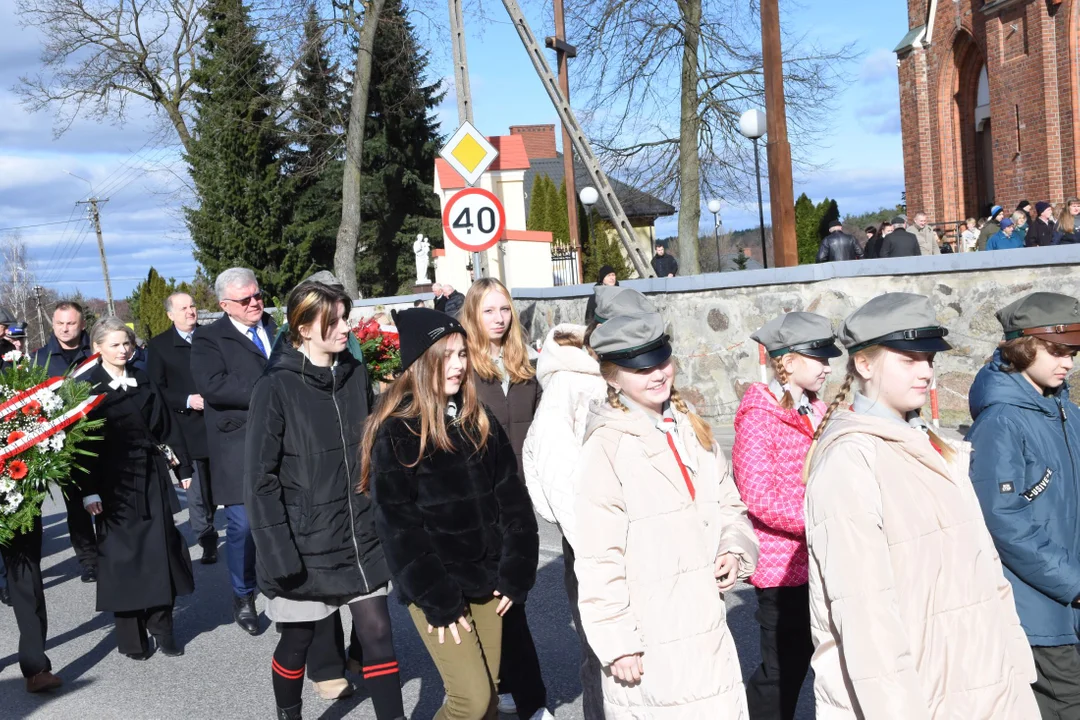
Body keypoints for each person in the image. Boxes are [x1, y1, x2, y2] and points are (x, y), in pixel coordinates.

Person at [803, 292, 1039, 718]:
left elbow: (985, 568)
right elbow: (864, 613)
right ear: (865, 364)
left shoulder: (932, 443)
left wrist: (1015, 663)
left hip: (982, 679)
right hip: (923, 694)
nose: (926, 372)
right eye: (908, 360)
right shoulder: (850, 462)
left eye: (929, 359)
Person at [576, 303, 758, 717]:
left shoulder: (688, 423)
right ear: (611, 376)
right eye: (640, 368)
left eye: (662, 360)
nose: (657, 373)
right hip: (650, 636)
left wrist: (733, 546)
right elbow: (597, 556)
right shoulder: (607, 446)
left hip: (707, 627)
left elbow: (728, 500)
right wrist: (617, 641)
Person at [362, 307, 539, 720]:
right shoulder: (398, 430)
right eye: (447, 355)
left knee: (491, 696)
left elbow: (512, 500)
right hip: (437, 590)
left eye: (462, 353)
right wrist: (439, 599)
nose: (459, 365)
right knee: (471, 701)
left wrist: (515, 572)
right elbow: (398, 529)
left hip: (490, 580)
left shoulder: (479, 417)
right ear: (422, 362)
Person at [246, 282, 404, 720]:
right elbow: (259, 480)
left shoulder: (355, 374)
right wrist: (278, 554)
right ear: (303, 327)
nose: (345, 327)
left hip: (359, 534)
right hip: (303, 541)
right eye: (333, 320)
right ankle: (288, 715)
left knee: (377, 631)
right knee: (298, 641)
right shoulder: (274, 388)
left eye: (345, 316)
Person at [522, 284, 641, 720]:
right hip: (599, 547)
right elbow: (558, 479)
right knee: (608, 661)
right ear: (600, 329)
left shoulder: (630, 372)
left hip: (643, 540)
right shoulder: (567, 387)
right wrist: (599, 546)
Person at [965, 292, 1080, 720]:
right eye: (1056, 351)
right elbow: (1003, 519)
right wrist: (1073, 583)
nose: (1067, 361)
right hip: (1039, 609)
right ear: (1022, 346)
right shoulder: (1000, 422)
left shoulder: (1065, 411)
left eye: (1072, 352)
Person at [733, 312, 842, 720]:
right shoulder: (759, 417)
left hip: (820, 556)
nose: (828, 366)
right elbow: (759, 497)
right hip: (784, 568)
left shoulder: (817, 408)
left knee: (821, 659)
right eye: (819, 357)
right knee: (784, 669)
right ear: (789, 362)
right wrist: (820, 519)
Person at [459, 278, 551, 720]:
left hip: (520, 498)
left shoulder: (524, 364)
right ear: (473, 316)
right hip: (479, 499)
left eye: (504, 310)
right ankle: (524, 696)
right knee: (500, 598)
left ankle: (512, 688)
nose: (499, 319)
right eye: (489, 311)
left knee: (513, 597)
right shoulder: (463, 369)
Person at [82, 317, 195, 660]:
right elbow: (80, 447)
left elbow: (166, 426)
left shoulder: (143, 379)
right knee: (122, 560)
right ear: (98, 348)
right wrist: (88, 490)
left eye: (127, 343)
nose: (123, 350)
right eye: (115, 344)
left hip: (149, 478)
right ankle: (131, 635)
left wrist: (183, 468)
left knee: (161, 551)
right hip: (111, 486)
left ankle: (163, 625)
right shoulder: (86, 388)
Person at [191, 267, 277, 636]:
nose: (256, 303)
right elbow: (214, 386)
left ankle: (285, 589)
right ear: (225, 305)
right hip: (238, 444)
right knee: (243, 524)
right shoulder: (209, 339)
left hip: (284, 438)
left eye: (258, 295)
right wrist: (272, 387)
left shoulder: (275, 327)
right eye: (246, 300)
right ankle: (243, 594)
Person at [148, 292, 218, 565]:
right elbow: (157, 389)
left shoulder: (211, 337)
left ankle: (210, 523)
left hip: (218, 425)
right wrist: (187, 400)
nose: (191, 311)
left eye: (192, 306)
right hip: (186, 429)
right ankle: (207, 537)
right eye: (183, 308)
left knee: (214, 488)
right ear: (170, 315)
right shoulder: (160, 345)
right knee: (197, 490)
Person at [31, 301, 98, 582]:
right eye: (60, 323)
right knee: (77, 506)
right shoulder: (40, 359)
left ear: (82, 324)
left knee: (110, 499)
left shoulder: (97, 350)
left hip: (105, 437)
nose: (65, 328)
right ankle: (89, 560)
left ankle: (115, 551)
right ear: (53, 325)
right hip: (67, 444)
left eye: (71, 323)